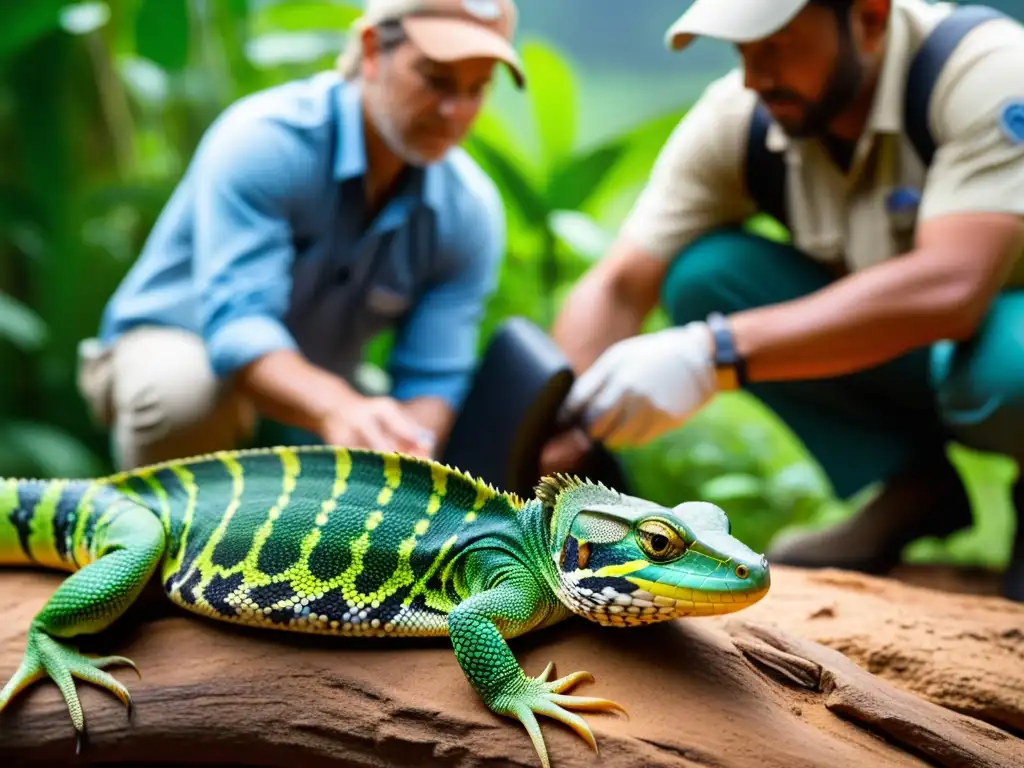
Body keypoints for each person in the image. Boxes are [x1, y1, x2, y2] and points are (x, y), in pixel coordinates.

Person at [542, 0, 1024, 601]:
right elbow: (620, 282)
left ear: (869, 19)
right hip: (914, 351)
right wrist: (561, 424)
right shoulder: (741, 116)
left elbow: (951, 287)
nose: (755, 76)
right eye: (741, 50)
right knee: (708, 275)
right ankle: (913, 486)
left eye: (776, 45)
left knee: (1011, 366)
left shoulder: (985, 71)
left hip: (1000, 337)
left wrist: (711, 352)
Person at [76, 0, 526, 471]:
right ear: (372, 52)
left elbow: (432, 377)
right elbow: (239, 328)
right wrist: (338, 408)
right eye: (435, 80)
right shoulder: (267, 141)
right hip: (177, 346)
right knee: (185, 397)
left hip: (312, 389)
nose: (455, 111)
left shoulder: (468, 210)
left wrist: (409, 452)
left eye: (477, 89)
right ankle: (164, 538)